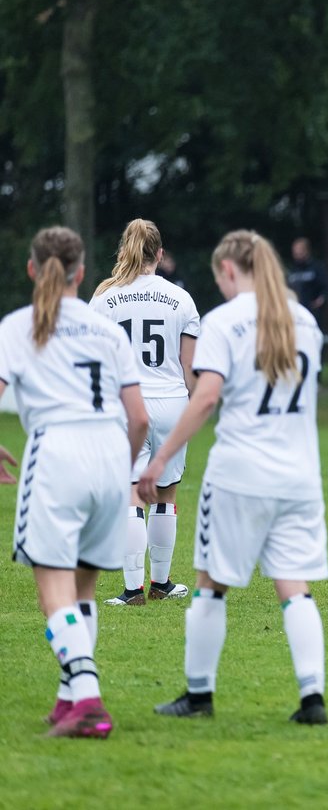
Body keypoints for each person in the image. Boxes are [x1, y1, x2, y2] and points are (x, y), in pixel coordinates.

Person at [141, 230, 328, 725]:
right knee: (294, 585)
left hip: (239, 473)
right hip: (299, 475)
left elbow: (205, 397)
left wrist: (160, 461)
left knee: (210, 585)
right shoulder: (305, 321)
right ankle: (313, 698)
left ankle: (199, 696)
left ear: (228, 270)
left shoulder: (224, 322)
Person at [0, 226, 149, 738]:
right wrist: (123, 469)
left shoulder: (18, 326)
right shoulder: (107, 328)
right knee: (83, 591)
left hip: (56, 455)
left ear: (32, 269)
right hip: (110, 455)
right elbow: (140, 419)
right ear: (82, 272)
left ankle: (87, 697)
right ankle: (68, 701)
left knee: (54, 593)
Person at [90, 218, 201, 606]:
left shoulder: (105, 298)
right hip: (172, 402)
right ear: (160, 254)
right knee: (166, 495)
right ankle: (163, 584)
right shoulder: (181, 298)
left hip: (127, 403)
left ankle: (133, 589)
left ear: (125, 250)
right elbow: (189, 371)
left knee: (131, 493)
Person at [287, 237, 328, 320]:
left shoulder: (317, 268)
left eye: (299, 250)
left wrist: (319, 302)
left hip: (312, 312)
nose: (296, 253)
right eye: (295, 251)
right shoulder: (292, 270)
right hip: (295, 311)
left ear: (306, 251)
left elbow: (325, 287)